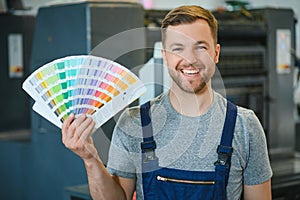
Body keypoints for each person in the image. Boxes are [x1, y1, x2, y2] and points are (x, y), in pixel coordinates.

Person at [62, 5, 273, 200]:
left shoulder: (245, 126)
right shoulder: (134, 122)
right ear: (164, 56)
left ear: (216, 53)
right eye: (178, 49)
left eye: (200, 47)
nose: (189, 59)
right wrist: (90, 160)